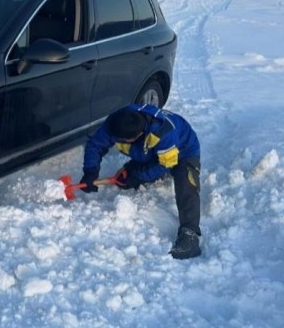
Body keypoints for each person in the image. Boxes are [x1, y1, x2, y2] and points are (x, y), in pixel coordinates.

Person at [79, 103, 202, 259]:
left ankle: (190, 235)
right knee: (126, 179)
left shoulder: (163, 132)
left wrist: (139, 176)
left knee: (186, 185)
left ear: (138, 134)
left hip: (184, 150)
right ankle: (142, 168)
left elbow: (166, 163)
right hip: (151, 152)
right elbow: (95, 144)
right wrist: (90, 171)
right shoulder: (116, 122)